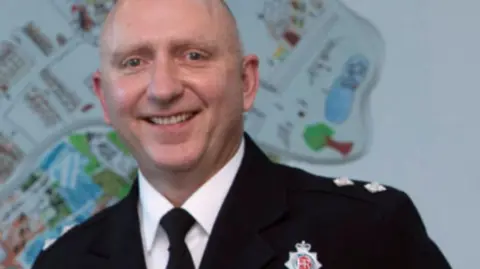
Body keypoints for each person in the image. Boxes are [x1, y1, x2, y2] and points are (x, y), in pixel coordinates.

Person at [31, 0, 452, 268]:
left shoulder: (366, 232)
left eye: (192, 55)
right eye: (133, 62)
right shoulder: (64, 262)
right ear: (104, 99)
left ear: (246, 82)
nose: (163, 89)